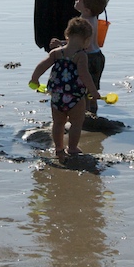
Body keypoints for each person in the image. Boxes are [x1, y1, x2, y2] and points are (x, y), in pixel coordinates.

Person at [30, 17, 99, 160]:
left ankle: (59, 147)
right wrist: (93, 91)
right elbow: (84, 74)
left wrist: (35, 78)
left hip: (57, 95)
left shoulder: (57, 52)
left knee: (58, 123)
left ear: (67, 35)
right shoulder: (80, 56)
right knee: (76, 123)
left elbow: (42, 65)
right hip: (75, 96)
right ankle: (72, 148)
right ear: (86, 41)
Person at [49, 0, 109, 115]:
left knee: (84, 89)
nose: (76, 0)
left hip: (87, 58)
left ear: (86, 9)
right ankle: (94, 114)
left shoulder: (83, 23)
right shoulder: (94, 18)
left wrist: (61, 44)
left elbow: (79, 44)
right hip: (98, 56)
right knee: (93, 88)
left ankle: (85, 115)